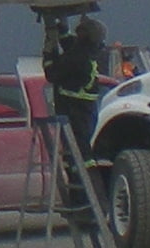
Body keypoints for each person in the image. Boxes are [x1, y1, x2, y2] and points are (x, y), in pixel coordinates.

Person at [42, 11, 109, 156]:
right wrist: (62, 26)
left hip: (74, 109)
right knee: (78, 146)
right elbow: (69, 43)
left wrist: (48, 53)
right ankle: (82, 172)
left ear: (84, 36)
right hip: (84, 108)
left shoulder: (78, 57)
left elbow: (52, 73)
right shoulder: (90, 50)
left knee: (78, 147)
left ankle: (88, 175)